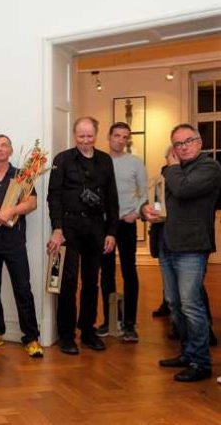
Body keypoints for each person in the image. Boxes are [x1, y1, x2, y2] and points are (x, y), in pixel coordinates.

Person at [142, 124, 221, 382]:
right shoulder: (173, 171)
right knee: (175, 304)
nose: (183, 147)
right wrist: (147, 210)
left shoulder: (209, 168)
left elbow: (185, 189)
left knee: (191, 304)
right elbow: (156, 199)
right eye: (178, 143)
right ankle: (187, 353)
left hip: (191, 246)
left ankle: (201, 362)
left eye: (188, 141)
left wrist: (172, 167)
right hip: (167, 244)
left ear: (199, 143)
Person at [47, 116, 118, 355]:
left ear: (95, 135)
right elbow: (53, 197)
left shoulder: (105, 161)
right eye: (81, 136)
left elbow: (112, 199)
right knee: (67, 281)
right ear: (74, 135)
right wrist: (57, 228)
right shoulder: (62, 160)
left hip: (96, 229)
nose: (85, 141)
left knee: (91, 281)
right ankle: (67, 335)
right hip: (68, 228)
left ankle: (88, 330)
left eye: (89, 136)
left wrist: (111, 232)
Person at [0, 135, 43, 358]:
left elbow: (32, 203)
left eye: (3, 145)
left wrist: (11, 211)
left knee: (23, 290)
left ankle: (32, 338)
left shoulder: (22, 176)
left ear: (11, 150)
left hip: (14, 242)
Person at [97, 123, 147, 342]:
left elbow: (145, 193)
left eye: (125, 137)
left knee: (129, 271)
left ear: (128, 140)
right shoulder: (99, 161)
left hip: (126, 223)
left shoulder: (135, 163)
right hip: (105, 225)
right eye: (116, 136)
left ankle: (129, 324)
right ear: (109, 137)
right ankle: (110, 321)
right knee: (106, 273)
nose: (120, 140)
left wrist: (136, 213)